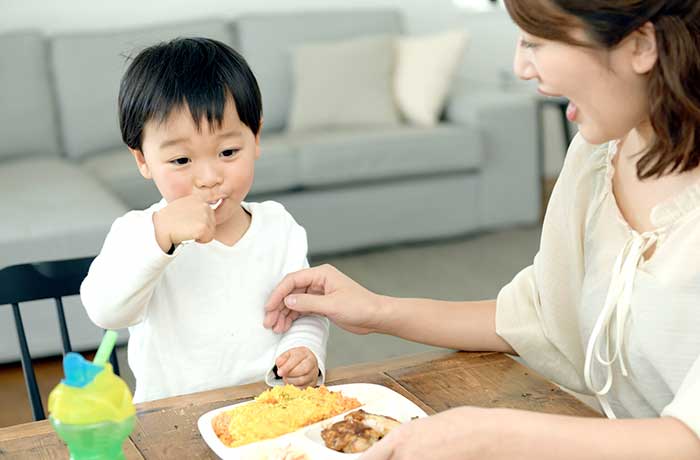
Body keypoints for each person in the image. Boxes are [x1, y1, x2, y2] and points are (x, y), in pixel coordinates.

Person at [263, 1, 700, 458]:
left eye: (535, 40)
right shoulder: (597, 159)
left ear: (641, 46)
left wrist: (493, 436)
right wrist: (377, 310)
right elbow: (537, 318)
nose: (520, 66)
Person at [81, 37, 328, 403]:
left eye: (228, 151)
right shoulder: (140, 233)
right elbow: (106, 312)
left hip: (268, 410)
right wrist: (161, 235)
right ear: (143, 160)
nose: (209, 177)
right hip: (171, 421)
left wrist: (305, 349)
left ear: (256, 138)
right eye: (181, 160)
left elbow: (305, 311)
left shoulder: (279, 226)